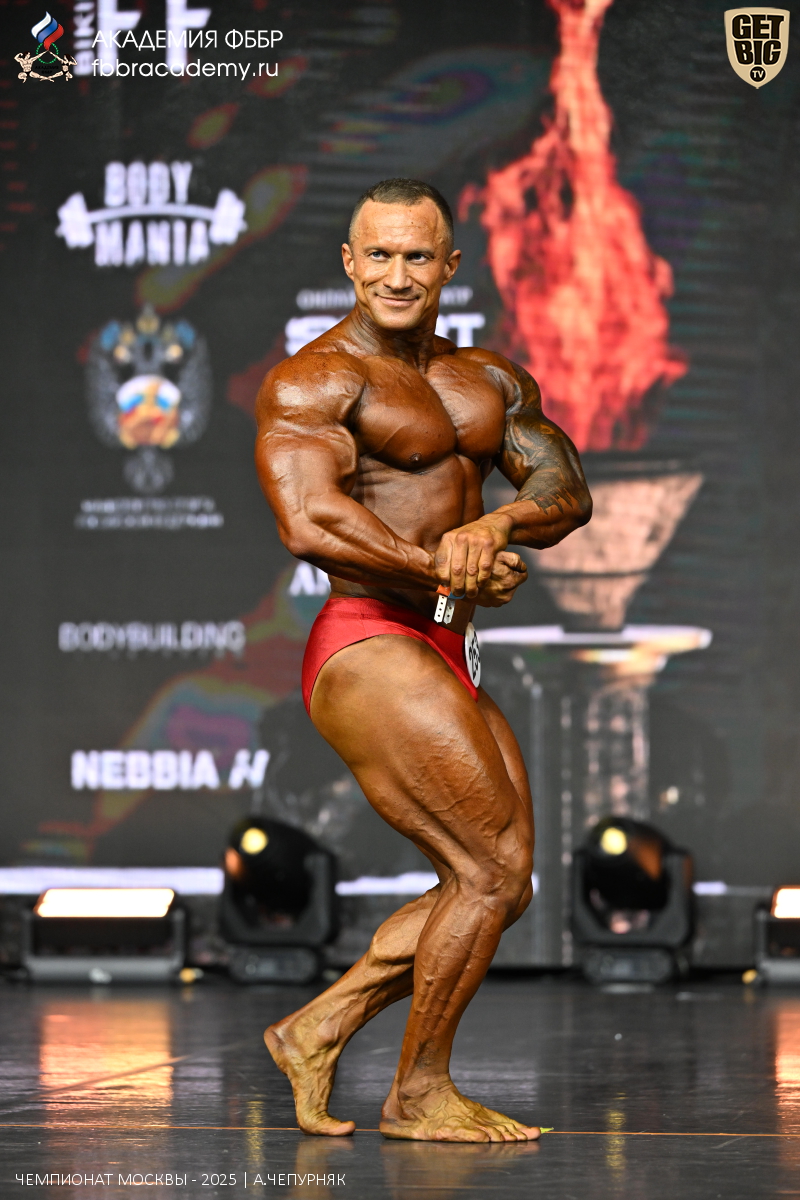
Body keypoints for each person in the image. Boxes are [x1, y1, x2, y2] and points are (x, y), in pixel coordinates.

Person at [255, 178, 591, 1142]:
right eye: (379, 255)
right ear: (350, 263)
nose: (397, 275)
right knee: (486, 868)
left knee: (503, 882)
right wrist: (439, 563)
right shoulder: (316, 381)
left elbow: (564, 486)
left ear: (449, 265)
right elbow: (310, 519)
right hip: (369, 636)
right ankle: (418, 1094)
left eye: (416, 256)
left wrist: (496, 525)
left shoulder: (487, 378)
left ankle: (318, 1030)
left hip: (447, 642)